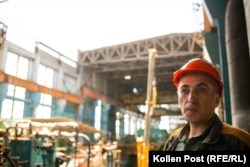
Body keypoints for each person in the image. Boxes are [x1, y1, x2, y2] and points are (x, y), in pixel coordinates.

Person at [163, 58, 250, 151]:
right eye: (185, 90)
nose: (191, 98)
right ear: (178, 101)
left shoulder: (240, 143)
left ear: (216, 100)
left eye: (201, 90)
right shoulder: (173, 140)